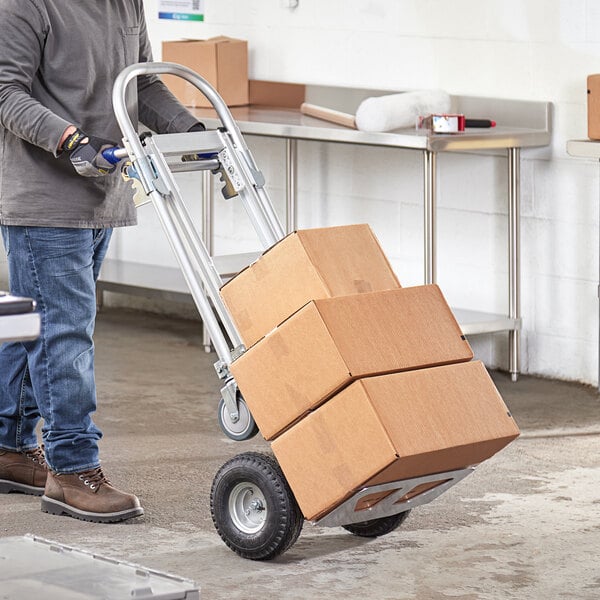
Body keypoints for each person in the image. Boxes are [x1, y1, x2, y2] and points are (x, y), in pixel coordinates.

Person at [0, 1, 205, 523]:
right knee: (63, 335)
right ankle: (72, 471)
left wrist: (192, 130)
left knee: (33, 327)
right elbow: (6, 92)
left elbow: (142, 86)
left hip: (101, 192)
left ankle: (9, 446)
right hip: (44, 197)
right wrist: (70, 139)